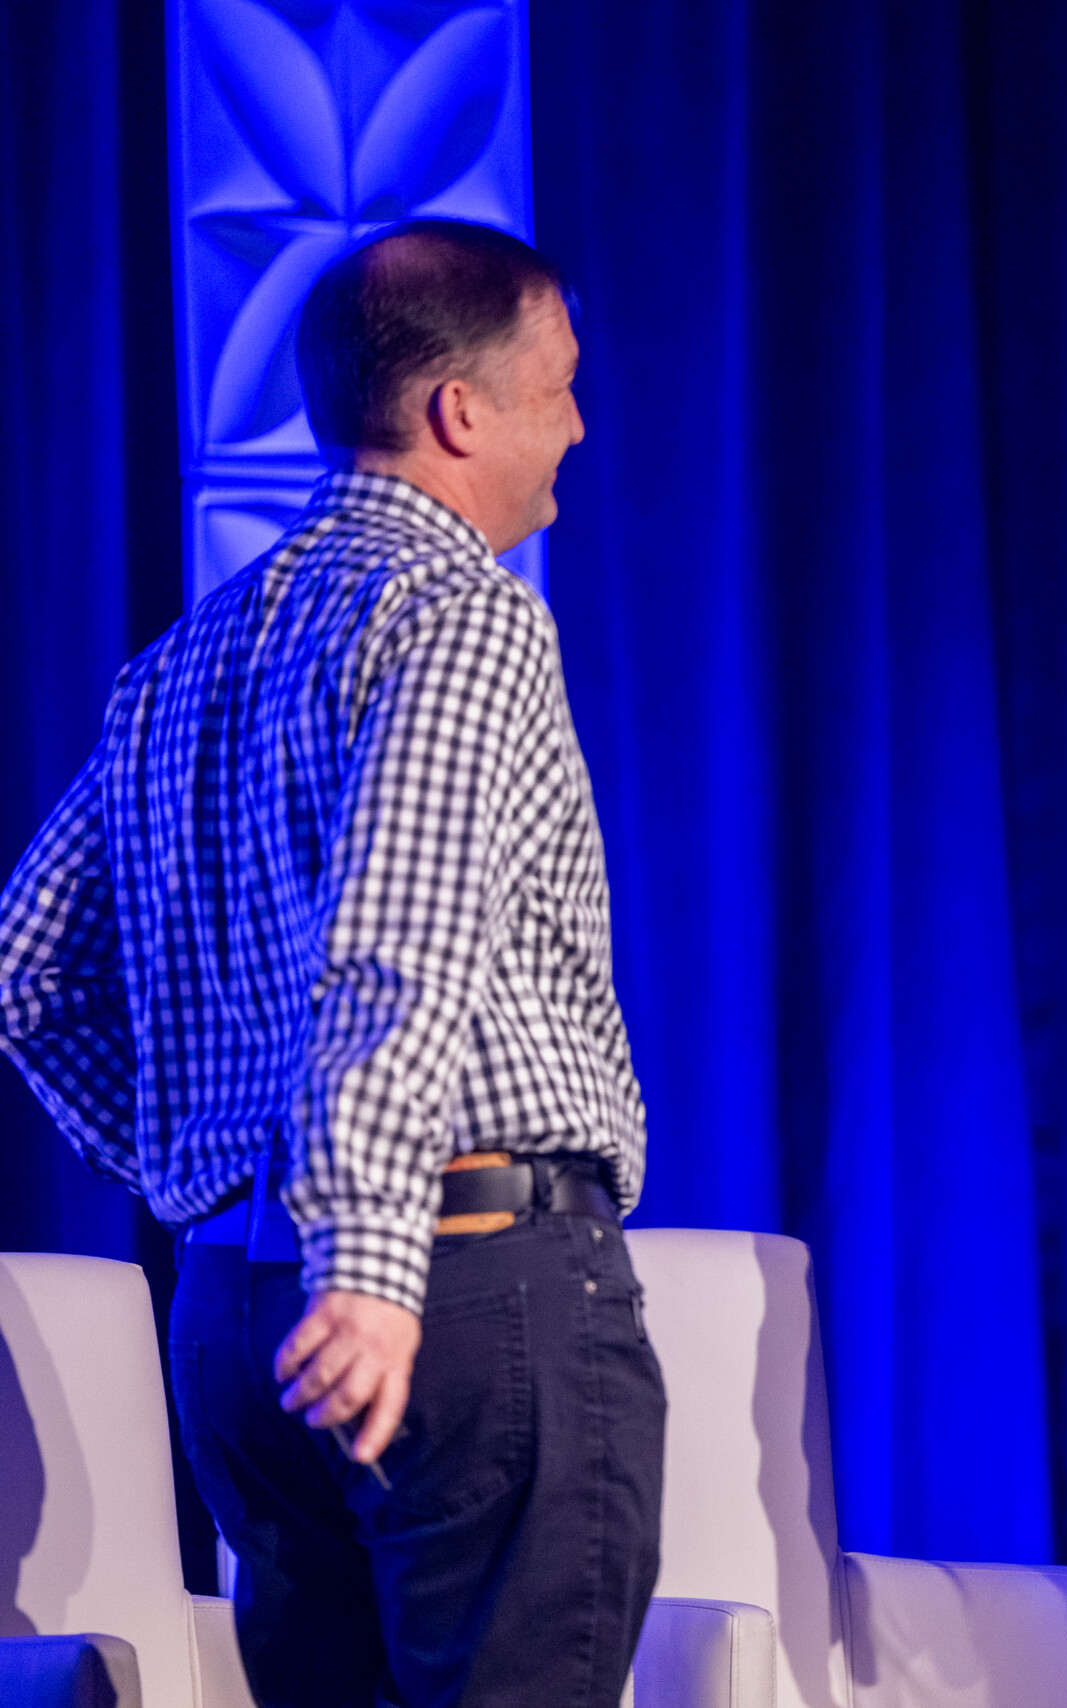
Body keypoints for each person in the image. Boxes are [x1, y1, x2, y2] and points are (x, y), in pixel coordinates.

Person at [0, 220, 661, 1707]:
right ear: (459, 412)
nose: (578, 425)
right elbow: (395, 942)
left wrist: (219, 1177)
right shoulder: (460, 615)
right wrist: (364, 1260)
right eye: (559, 386)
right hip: (443, 1291)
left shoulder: (180, 660)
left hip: (241, 1327)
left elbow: (27, 972)